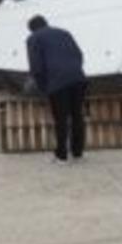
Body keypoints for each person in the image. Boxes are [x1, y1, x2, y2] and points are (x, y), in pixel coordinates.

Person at [25, 15, 87, 164]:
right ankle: (77, 153)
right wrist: (75, 71)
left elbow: (36, 66)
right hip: (78, 78)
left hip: (57, 82)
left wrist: (43, 87)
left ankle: (61, 156)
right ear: (46, 23)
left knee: (61, 119)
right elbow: (79, 55)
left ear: (32, 29)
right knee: (77, 116)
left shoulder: (34, 38)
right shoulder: (64, 33)